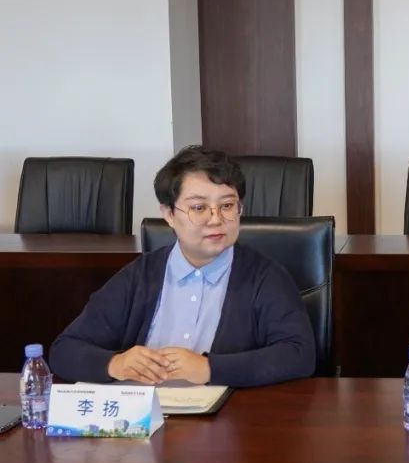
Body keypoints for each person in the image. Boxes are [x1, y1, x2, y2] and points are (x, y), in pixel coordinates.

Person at [50, 146, 316, 387]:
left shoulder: (265, 276)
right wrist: (116, 364)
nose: (216, 219)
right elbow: (65, 350)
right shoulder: (140, 276)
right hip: (146, 416)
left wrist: (209, 368)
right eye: (199, 207)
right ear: (169, 214)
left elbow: (299, 355)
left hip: (229, 418)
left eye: (227, 205)